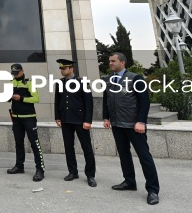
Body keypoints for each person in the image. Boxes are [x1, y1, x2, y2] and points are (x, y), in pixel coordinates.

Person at [103, 52, 160, 205]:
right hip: (116, 124)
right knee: (124, 155)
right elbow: (106, 99)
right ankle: (129, 182)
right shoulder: (108, 80)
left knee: (144, 157)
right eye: (109, 61)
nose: (110, 63)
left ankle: (153, 190)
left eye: (113, 61)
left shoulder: (136, 78)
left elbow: (144, 101)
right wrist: (106, 117)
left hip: (134, 125)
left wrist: (141, 121)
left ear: (122, 63)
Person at [54, 58, 97, 187]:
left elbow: (89, 103)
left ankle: (90, 175)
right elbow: (58, 101)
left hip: (80, 120)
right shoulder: (60, 83)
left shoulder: (82, 82)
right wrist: (58, 117)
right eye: (61, 68)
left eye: (64, 68)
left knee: (86, 148)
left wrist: (88, 120)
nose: (62, 70)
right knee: (68, 147)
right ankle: (73, 172)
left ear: (71, 69)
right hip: (66, 119)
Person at [6, 63, 45, 181]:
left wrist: (21, 98)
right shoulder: (10, 83)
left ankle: (40, 170)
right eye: (13, 73)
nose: (15, 75)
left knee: (35, 144)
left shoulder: (30, 82)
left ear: (22, 71)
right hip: (16, 118)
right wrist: (7, 97)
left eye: (17, 72)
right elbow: (7, 99)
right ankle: (19, 166)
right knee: (18, 143)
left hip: (29, 118)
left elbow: (36, 98)